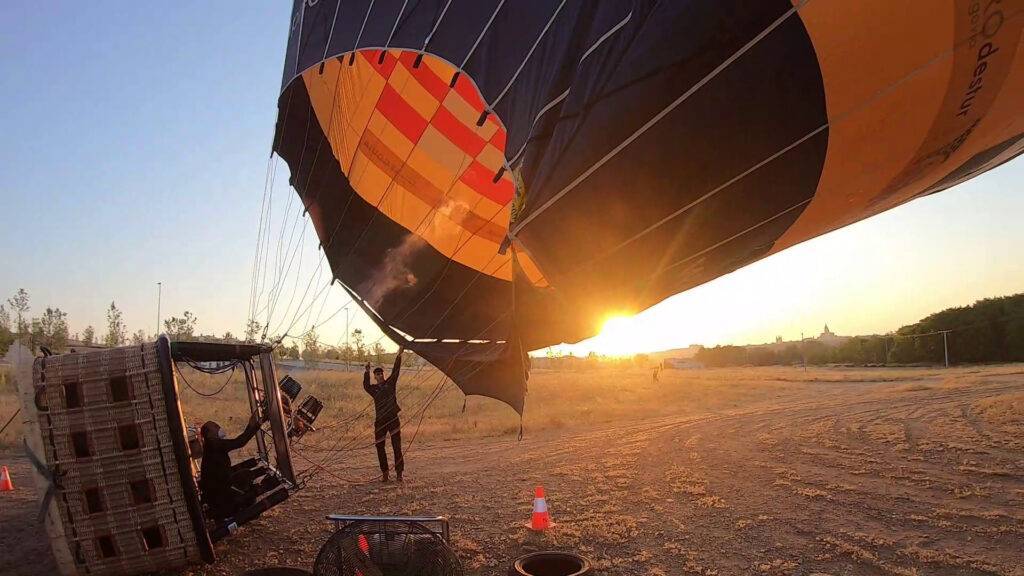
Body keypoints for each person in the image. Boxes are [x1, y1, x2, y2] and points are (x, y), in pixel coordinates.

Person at [199, 413, 261, 519]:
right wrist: (255, 425)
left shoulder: (210, 445)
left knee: (245, 474)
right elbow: (239, 442)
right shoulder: (214, 444)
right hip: (220, 489)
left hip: (216, 487)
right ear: (209, 434)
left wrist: (251, 426)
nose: (219, 427)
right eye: (215, 426)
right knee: (246, 475)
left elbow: (239, 441)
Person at [364, 348, 404, 482]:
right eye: (377, 374)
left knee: (396, 446)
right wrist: (366, 371)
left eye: (381, 373)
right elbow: (365, 385)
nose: (379, 375)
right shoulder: (373, 389)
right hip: (380, 421)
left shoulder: (390, 384)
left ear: (383, 374)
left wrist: (398, 356)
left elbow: (396, 372)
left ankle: (399, 473)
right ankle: (385, 472)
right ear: (374, 377)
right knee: (379, 446)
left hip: (393, 418)